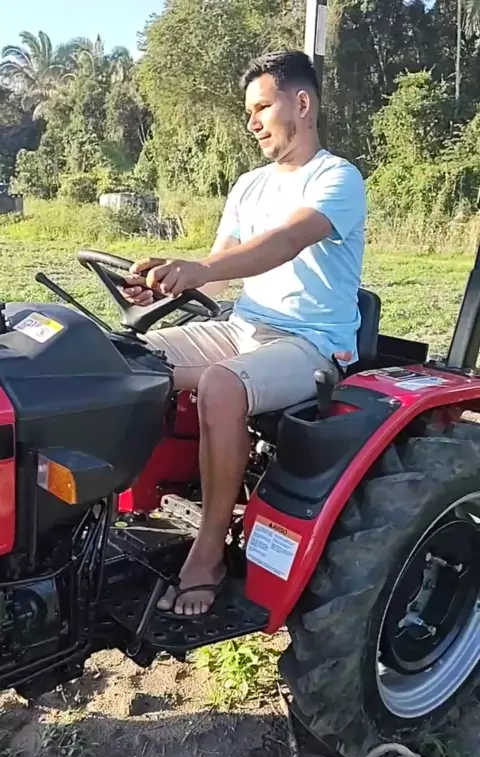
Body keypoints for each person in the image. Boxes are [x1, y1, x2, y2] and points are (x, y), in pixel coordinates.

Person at [122, 50, 367, 618]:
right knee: (123, 358)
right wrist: (165, 284)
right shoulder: (248, 186)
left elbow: (285, 241)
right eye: (248, 111)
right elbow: (218, 269)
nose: (251, 122)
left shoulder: (336, 177)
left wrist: (200, 269)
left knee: (222, 386)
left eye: (261, 108)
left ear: (301, 103)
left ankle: (208, 555)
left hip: (311, 344)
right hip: (242, 327)